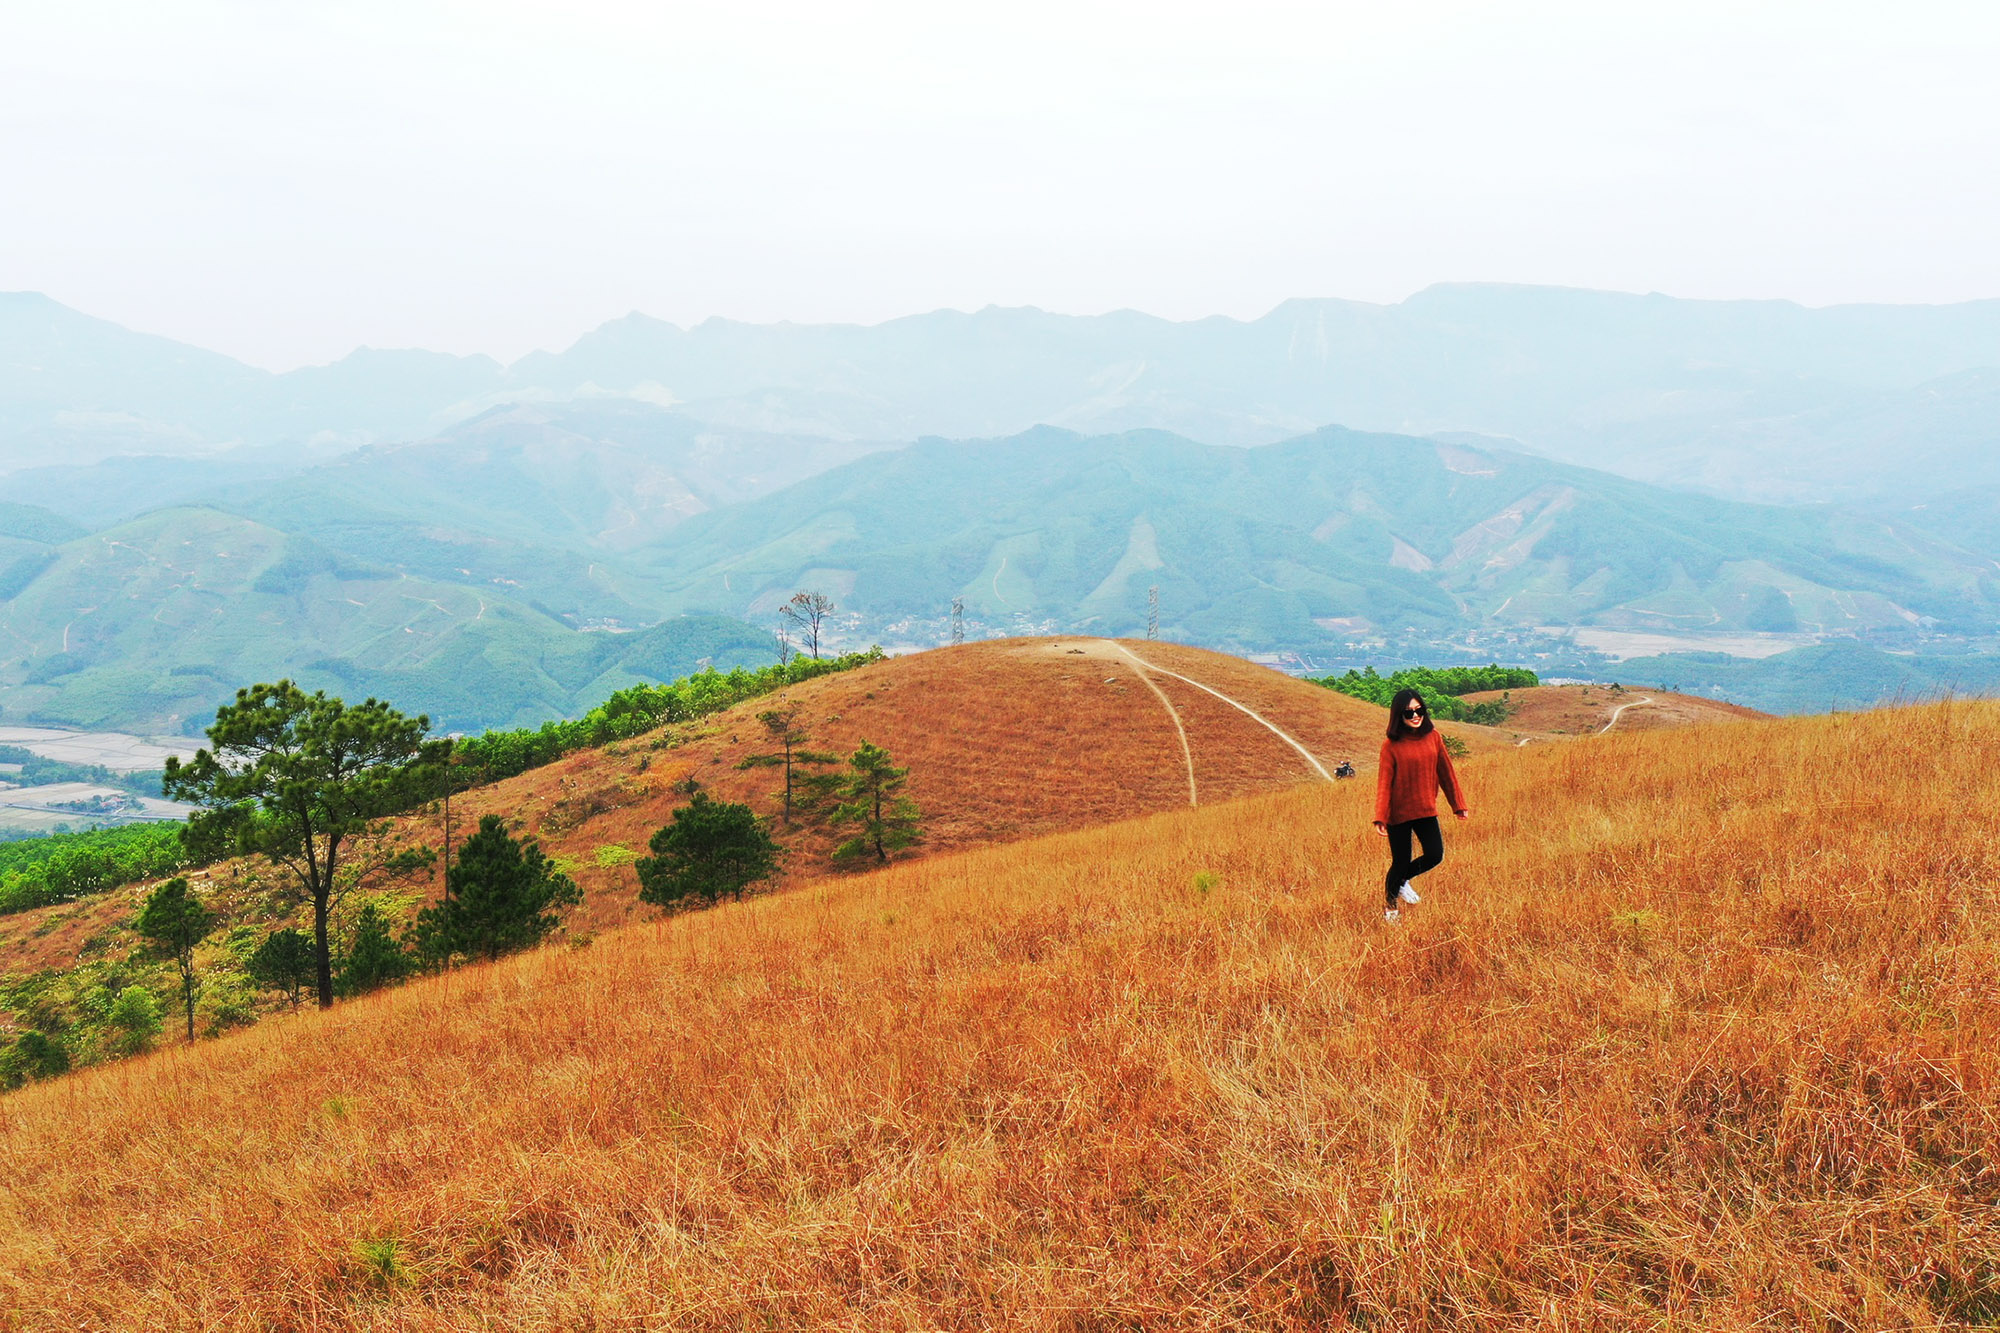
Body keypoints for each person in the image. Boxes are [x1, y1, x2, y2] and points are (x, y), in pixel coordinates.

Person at [1373, 688, 1469, 923]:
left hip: (1425, 808)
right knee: (1401, 861)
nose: (1415, 716)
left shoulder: (1433, 737)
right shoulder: (1391, 745)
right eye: (1409, 713)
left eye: (1419, 710)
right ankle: (1390, 908)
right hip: (1399, 813)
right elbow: (1385, 782)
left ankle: (1402, 882)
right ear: (1399, 716)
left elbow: (1446, 772)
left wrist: (1458, 804)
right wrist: (1381, 817)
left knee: (1435, 854)